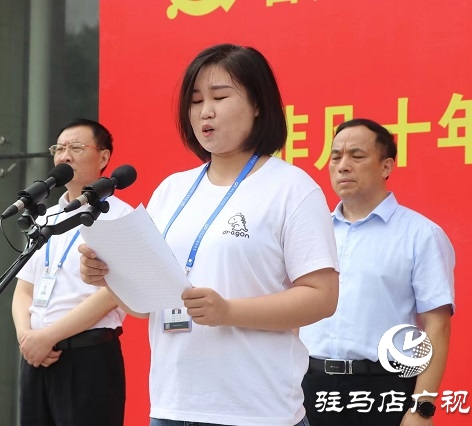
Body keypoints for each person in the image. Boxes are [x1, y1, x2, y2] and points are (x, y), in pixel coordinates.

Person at [79, 43, 340, 426]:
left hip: (258, 412)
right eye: (196, 100)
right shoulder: (172, 190)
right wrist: (110, 276)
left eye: (219, 97)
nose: (205, 111)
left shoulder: (292, 188)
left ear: (258, 104)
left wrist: (229, 312)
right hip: (172, 407)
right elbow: (144, 306)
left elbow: (322, 297)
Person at [300, 118, 455, 426]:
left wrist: (421, 409)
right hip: (307, 387)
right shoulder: (312, 231)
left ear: (386, 166)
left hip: (381, 388)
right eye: (335, 157)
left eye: (356, 156)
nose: (343, 166)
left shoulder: (421, 234)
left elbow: (437, 326)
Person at [11, 118, 133, 426]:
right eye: (59, 148)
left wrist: (47, 337)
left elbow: (111, 295)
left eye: (76, 148)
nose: (65, 156)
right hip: (36, 357)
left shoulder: (121, 217)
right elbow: (24, 288)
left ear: (103, 157)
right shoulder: (46, 218)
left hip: (88, 357)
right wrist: (26, 337)